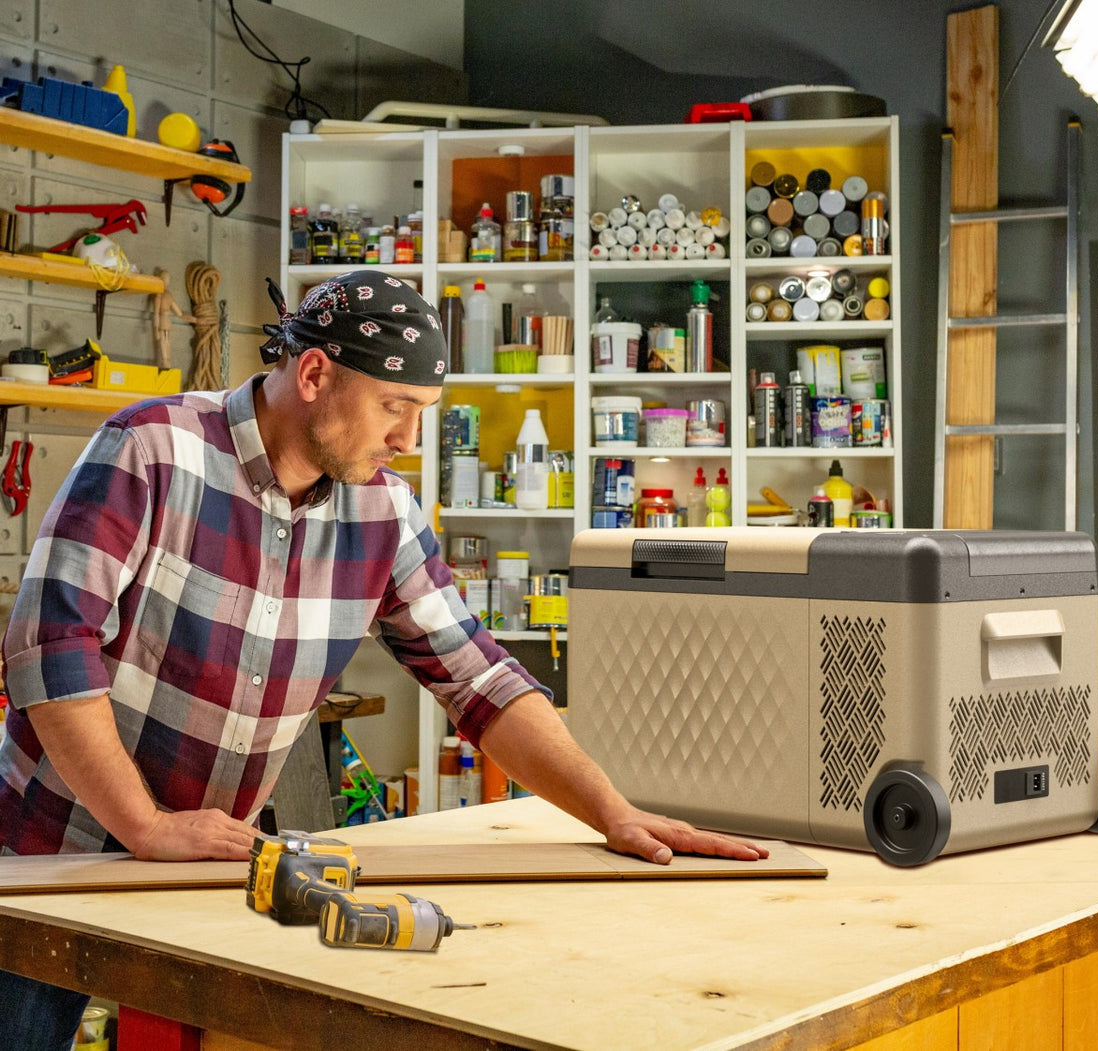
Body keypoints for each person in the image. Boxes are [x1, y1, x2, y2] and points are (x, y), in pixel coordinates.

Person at [0, 270, 765, 1049]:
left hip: (201, 856)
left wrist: (615, 811)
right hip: (48, 850)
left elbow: (480, 677)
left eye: (421, 414)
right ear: (314, 373)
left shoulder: (384, 511)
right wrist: (144, 824)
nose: (407, 439)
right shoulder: (152, 449)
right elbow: (49, 648)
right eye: (395, 407)